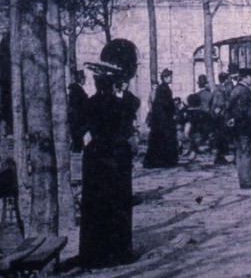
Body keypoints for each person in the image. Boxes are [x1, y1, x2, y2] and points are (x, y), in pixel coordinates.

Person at [80, 39, 141, 269]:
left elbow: (83, 128)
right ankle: (120, 251)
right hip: (116, 159)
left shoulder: (92, 102)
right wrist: (122, 91)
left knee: (95, 206)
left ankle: (95, 253)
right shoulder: (121, 103)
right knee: (119, 205)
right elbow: (132, 107)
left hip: (95, 160)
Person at [226, 67, 251, 189]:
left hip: (238, 128)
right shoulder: (243, 91)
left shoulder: (236, 90)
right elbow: (241, 111)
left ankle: (244, 179)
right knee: (247, 153)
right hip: (246, 128)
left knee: (241, 154)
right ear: (246, 77)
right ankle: (248, 181)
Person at [143, 68, 179, 168]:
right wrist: (173, 106)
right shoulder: (164, 89)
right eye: (170, 77)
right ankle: (166, 161)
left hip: (160, 118)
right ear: (165, 78)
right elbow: (165, 104)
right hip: (164, 118)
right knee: (165, 138)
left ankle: (157, 161)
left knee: (158, 139)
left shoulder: (162, 88)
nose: (171, 78)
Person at [210, 71, 234, 165]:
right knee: (221, 138)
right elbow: (220, 104)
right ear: (225, 80)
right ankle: (220, 158)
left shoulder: (218, 89)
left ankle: (220, 157)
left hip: (220, 116)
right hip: (221, 117)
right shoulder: (221, 90)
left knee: (221, 138)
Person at [68, 69, 89, 153]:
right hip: (78, 118)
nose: (85, 80)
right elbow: (79, 105)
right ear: (80, 79)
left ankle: (77, 148)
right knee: (78, 137)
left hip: (77, 118)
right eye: (83, 78)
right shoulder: (77, 90)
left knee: (78, 137)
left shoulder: (76, 89)